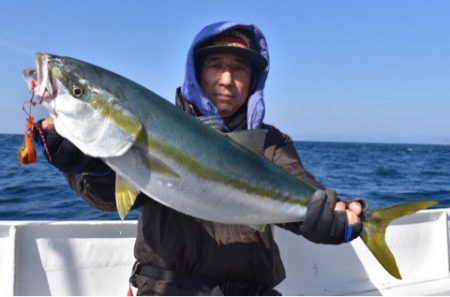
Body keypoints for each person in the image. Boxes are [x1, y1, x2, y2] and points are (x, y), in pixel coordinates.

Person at [35, 21, 364, 295]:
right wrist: (88, 166)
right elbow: (112, 198)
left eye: (238, 69)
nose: (226, 79)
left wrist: (327, 217)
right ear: (196, 71)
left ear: (253, 80)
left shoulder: (270, 142)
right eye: (215, 65)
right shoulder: (158, 126)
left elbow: (300, 188)